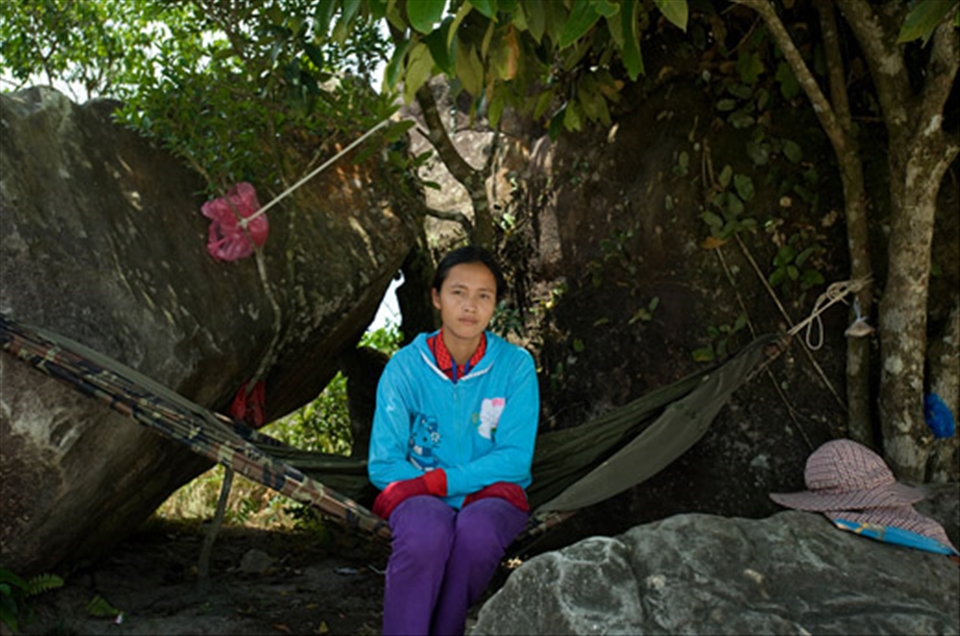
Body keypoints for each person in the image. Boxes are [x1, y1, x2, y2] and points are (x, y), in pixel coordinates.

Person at [367, 245, 540, 636]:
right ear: (436, 297)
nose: (470, 306)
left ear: (495, 304)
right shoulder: (406, 369)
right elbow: (383, 462)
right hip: (419, 496)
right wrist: (432, 495)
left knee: (476, 533)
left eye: (484, 296)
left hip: (493, 494)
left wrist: (444, 485)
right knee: (426, 534)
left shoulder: (515, 367)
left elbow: (514, 459)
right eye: (458, 292)